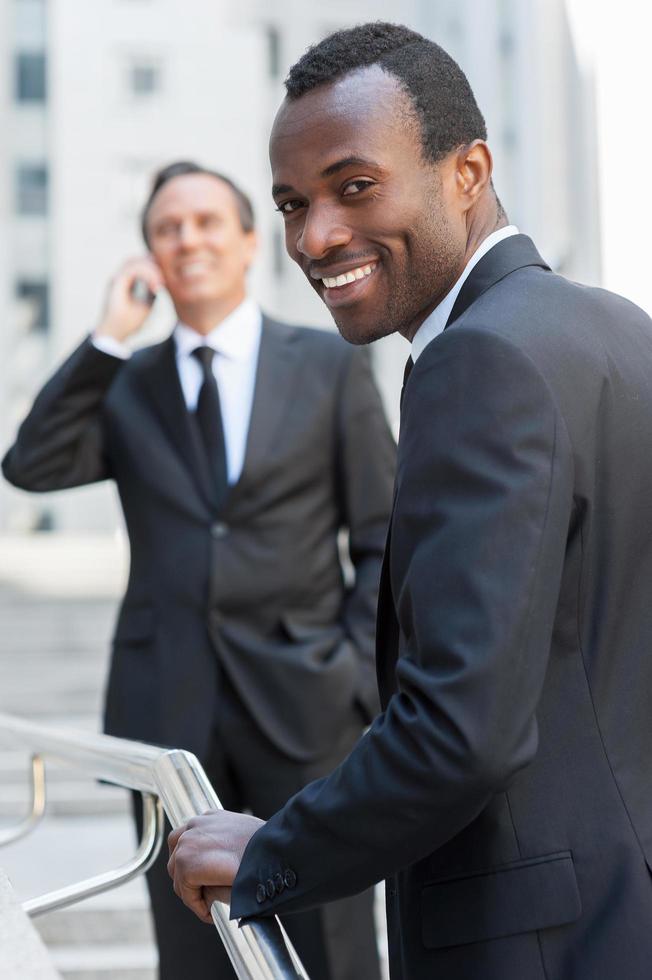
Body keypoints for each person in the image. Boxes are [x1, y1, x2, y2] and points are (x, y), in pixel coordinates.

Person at [167, 22, 652, 980]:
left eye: (355, 187)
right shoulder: (616, 328)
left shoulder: (480, 360)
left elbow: (462, 730)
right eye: (295, 204)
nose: (317, 237)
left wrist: (275, 853)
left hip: (537, 941)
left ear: (466, 170)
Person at [2, 160, 394, 980]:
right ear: (149, 252)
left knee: (333, 940)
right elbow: (30, 464)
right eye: (167, 228)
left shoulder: (328, 365)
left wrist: (356, 674)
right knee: (190, 945)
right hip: (166, 706)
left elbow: (383, 537)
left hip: (308, 702)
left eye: (208, 222)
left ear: (252, 241)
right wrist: (109, 335)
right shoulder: (126, 383)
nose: (188, 239)